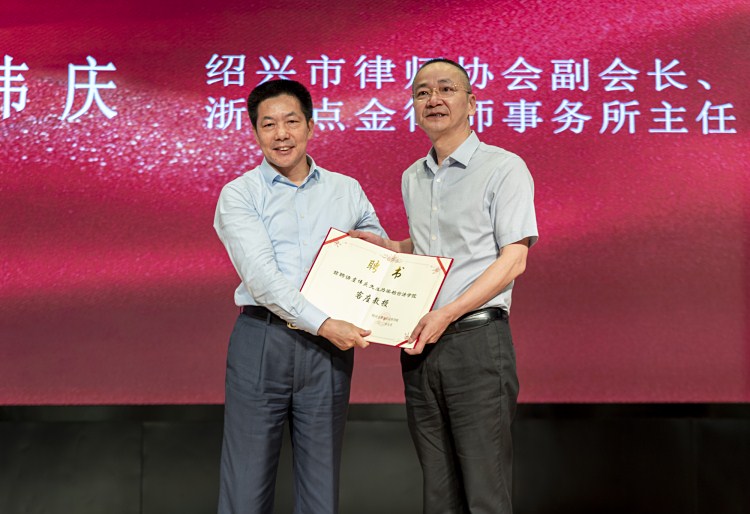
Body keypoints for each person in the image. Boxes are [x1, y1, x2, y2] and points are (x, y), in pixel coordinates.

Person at [351, 58, 538, 513]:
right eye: (422, 92)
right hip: (421, 344)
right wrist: (389, 246)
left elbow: (514, 259)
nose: (433, 99)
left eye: (446, 89)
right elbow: (430, 250)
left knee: (484, 493)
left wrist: (448, 313)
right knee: (438, 493)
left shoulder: (503, 168)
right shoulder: (412, 177)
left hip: (476, 342)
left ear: (471, 103)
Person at [214, 79, 386, 514]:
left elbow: (377, 252)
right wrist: (324, 323)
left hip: (328, 351)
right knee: (245, 490)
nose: (281, 134)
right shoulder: (240, 194)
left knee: (320, 490)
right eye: (268, 124)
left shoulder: (345, 189)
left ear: (310, 126)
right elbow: (261, 279)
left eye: (291, 121)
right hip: (263, 339)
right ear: (255, 132)